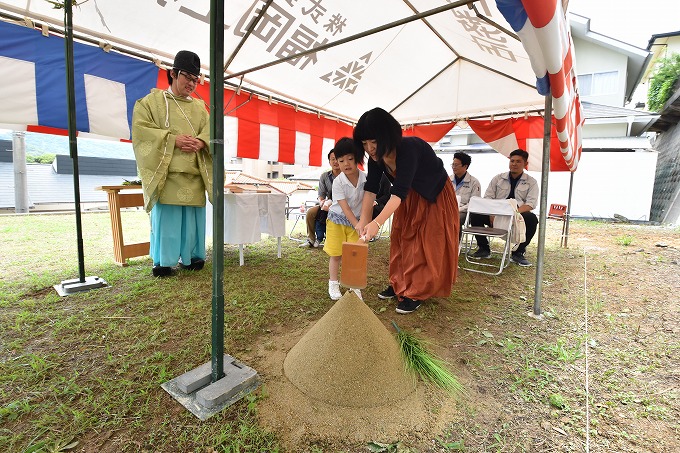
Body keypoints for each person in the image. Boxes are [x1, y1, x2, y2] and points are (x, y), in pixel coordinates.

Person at [354, 107, 459, 314]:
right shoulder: (376, 159)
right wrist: (364, 220)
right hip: (406, 198)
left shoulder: (409, 148)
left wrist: (376, 223)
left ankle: (416, 292)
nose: (370, 148)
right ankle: (398, 284)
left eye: (373, 142)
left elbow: (399, 191)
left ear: (386, 136)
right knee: (401, 239)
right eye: (365, 143)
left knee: (424, 244)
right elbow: (370, 188)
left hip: (432, 195)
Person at [132, 50, 212, 277]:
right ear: (173, 73)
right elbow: (141, 131)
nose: (192, 83)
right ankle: (164, 261)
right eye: (187, 76)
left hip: (194, 172)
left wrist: (201, 142)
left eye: (196, 80)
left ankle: (192, 257)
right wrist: (171, 139)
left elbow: (211, 131)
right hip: (168, 173)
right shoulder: (151, 102)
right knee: (168, 219)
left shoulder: (200, 108)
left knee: (192, 220)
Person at [470, 148, 539, 267]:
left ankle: (518, 253)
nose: (514, 164)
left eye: (518, 161)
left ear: (525, 164)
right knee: (475, 214)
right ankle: (483, 248)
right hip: (495, 214)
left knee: (532, 219)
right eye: (512, 161)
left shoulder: (531, 182)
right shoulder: (498, 178)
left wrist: (513, 212)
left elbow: (531, 204)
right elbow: (488, 198)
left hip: (517, 215)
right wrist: (492, 213)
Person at [324, 138, 366, 301]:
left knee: (354, 255)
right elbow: (345, 208)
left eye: (350, 158)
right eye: (341, 160)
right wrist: (358, 225)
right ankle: (333, 283)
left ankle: (354, 286)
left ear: (357, 159)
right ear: (336, 163)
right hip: (337, 222)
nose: (346, 163)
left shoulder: (366, 179)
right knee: (336, 255)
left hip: (357, 222)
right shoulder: (338, 182)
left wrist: (362, 223)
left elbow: (366, 203)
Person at [299, 150, 341, 248]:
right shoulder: (325, 176)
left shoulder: (347, 175)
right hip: (329, 204)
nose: (335, 162)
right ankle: (311, 239)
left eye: (338, 159)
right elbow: (321, 194)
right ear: (329, 162)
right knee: (310, 212)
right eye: (333, 159)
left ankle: (334, 240)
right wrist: (321, 202)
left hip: (343, 205)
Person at [451, 152, 481, 234]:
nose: (453, 167)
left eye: (456, 165)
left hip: (464, 212)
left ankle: (455, 245)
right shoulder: (447, 180)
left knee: (455, 219)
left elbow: (474, 203)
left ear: (465, 166)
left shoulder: (474, 182)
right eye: (452, 164)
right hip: (448, 210)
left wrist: (458, 209)